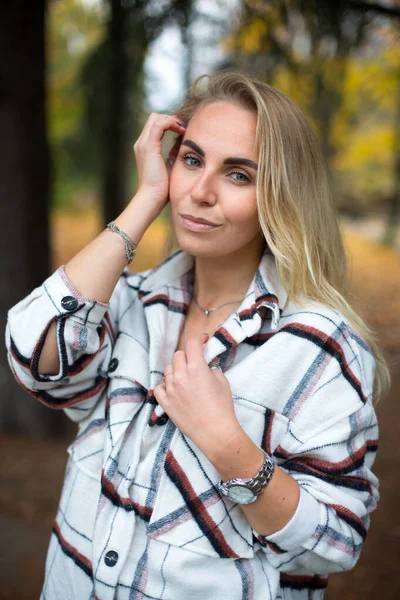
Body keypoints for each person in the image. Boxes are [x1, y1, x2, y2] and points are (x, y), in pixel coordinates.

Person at [5, 71, 390, 600]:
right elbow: (37, 362)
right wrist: (146, 199)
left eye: (237, 175)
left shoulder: (318, 346)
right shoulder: (131, 300)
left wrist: (227, 444)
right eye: (191, 160)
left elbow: (335, 542)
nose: (200, 193)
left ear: (279, 196)